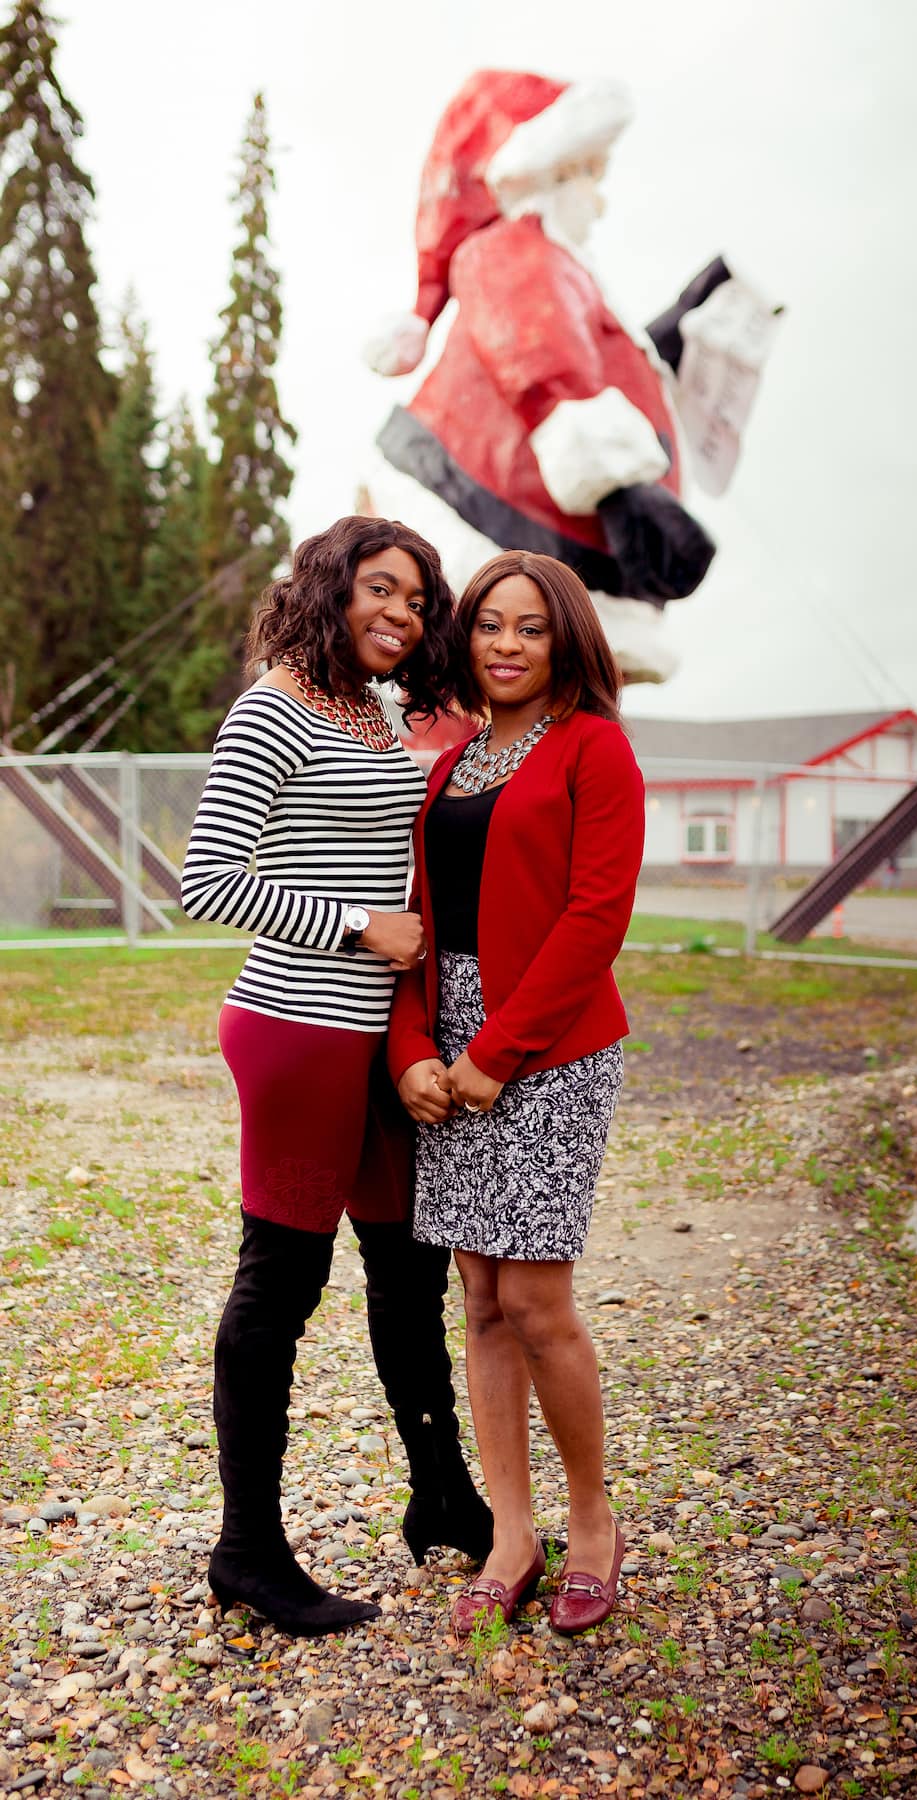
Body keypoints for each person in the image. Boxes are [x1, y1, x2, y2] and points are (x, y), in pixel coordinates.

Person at [181, 515, 492, 1638]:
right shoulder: (272, 706)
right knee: (282, 1280)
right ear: (329, 589)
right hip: (298, 1028)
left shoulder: (381, 712)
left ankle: (443, 1493)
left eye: (417, 600)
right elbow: (207, 881)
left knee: (407, 1274)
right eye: (380, 590)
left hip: (378, 1040)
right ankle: (248, 1552)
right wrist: (364, 925)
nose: (402, 615)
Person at [388, 549, 644, 1637]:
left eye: (529, 628)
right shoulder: (449, 767)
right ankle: (512, 1533)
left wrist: (495, 1052)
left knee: (538, 1302)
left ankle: (593, 1528)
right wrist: (414, 1052)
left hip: (551, 1047)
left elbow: (595, 919)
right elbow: (417, 922)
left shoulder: (595, 749)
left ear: (565, 639)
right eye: (489, 624)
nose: (504, 643)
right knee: (480, 1302)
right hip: (449, 1056)